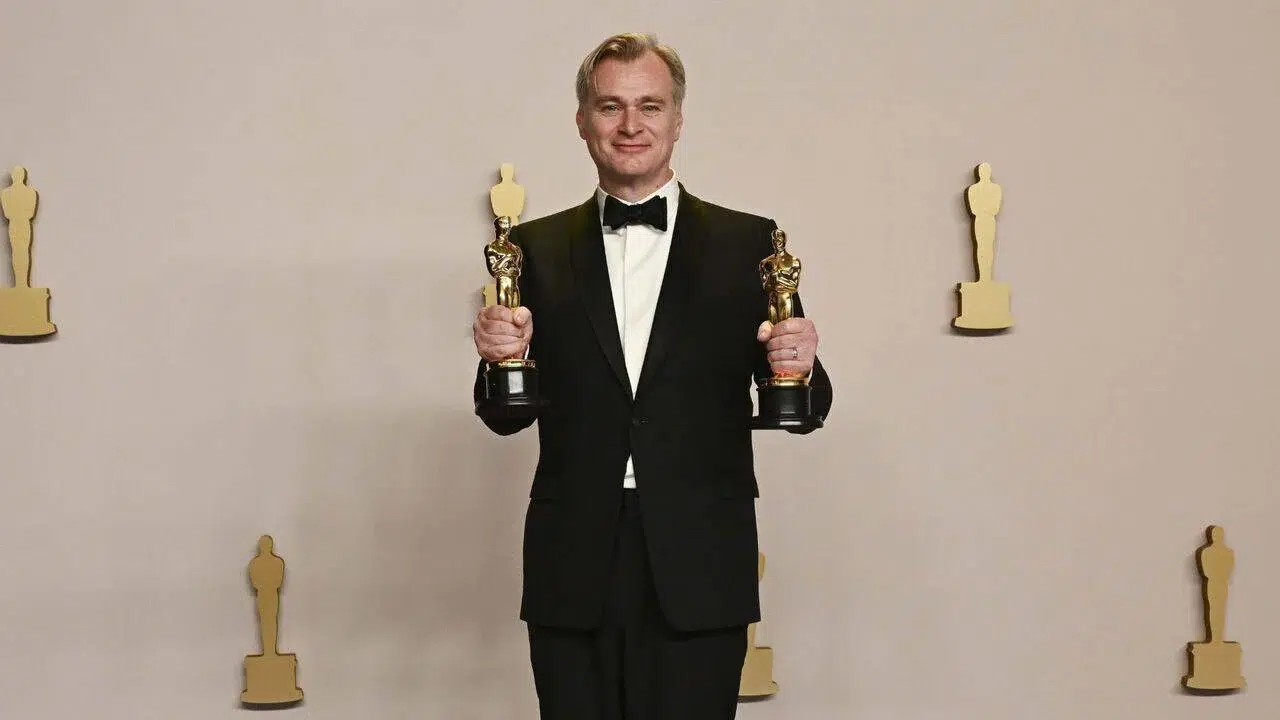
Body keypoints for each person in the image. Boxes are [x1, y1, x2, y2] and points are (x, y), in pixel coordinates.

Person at [471, 32, 833, 720]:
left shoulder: (748, 243)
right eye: (610, 107)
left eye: (650, 106)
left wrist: (803, 365)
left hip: (702, 558)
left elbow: (804, 408)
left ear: (678, 119)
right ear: (583, 121)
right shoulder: (533, 249)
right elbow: (504, 415)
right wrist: (495, 359)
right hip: (572, 558)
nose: (630, 125)